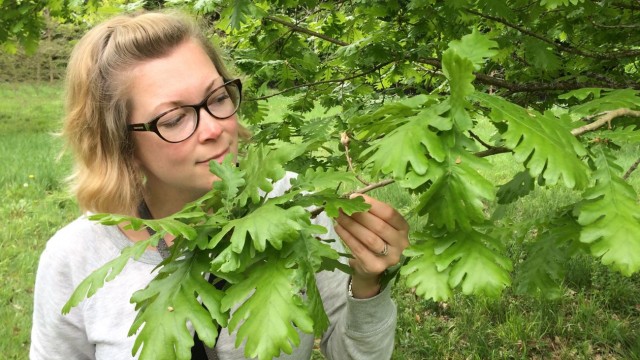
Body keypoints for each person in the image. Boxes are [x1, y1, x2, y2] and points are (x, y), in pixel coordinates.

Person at [30, 10, 409, 360]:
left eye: (217, 97)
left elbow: (351, 352)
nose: (215, 128)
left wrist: (366, 285)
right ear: (121, 144)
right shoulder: (75, 259)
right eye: (175, 118)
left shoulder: (295, 205)